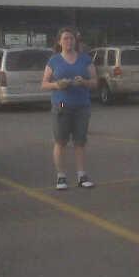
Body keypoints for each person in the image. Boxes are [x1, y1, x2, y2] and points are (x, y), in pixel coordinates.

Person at [41, 26, 97, 189]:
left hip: (82, 106)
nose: (69, 41)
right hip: (62, 104)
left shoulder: (85, 59)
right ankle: (61, 177)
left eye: (71, 38)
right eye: (65, 38)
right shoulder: (54, 60)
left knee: (80, 142)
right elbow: (44, 84)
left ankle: (81, 175)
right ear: (59, 42)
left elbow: (95, 82)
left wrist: (84, 82)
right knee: (60, 141)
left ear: (75, 41)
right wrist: (58, 85)